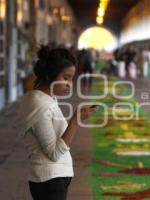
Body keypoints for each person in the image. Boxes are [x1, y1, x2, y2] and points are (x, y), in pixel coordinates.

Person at [17, 45, 97, 200]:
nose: (69, 84)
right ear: (49, 76)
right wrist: (75, 121)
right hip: (50, 180)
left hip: (54, 178)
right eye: (65, 78)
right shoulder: (38, 103)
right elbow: (54, 153)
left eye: (71, 79)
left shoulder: (46, 99)